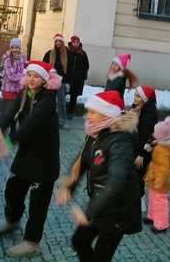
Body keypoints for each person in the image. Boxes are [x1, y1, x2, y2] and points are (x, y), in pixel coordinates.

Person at [56, 90, 142, 261]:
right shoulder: (96, 133)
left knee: (101, 257)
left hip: (119, 209)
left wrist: (88, 214)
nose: (87, 116)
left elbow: (116, 181)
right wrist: (68, 185)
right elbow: (82, 161)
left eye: (93, 112)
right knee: (79, 241)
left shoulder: (120, 141)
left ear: (107, 115)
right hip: (101, 203)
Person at [0, 61, 61, 258]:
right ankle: (12, 220)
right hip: (26, 156)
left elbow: (31, 123)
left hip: (44, 161)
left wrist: (9, 142)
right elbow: (11, 110)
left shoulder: (48, 100)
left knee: (38, 204)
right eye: (29, 74)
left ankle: (32, 242)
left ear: (45, 80)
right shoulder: (27, 93)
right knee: (12, 190)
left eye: (36, 76)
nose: (31, 79)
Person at [143, 116, 170, 233]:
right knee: (153, 197)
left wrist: (159, 181)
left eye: (155, 133)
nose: (153, 134)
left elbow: (163, 168)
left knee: (160, 200)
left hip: (159, 179)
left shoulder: (162, 150)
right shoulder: (160, 145)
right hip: (155, 176)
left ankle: (161, 224)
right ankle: (152, 217)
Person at [131, 86, 159, 203]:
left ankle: (139, 203)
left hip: (143, 152)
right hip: (137, 149)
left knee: (138, 177)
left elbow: (150, 137)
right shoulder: (140, 109)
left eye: (138, 96)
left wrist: (141, 154)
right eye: (135, 95)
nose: (135, 98)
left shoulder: (148, 115)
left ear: (145, 99)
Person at [0, 38, 27, 135]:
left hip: (18, 91)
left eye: (17, 47)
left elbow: (26, 68)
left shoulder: (22, 58)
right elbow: (11, 76)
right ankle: (1, 130)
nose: (15, 49)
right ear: (11, 48)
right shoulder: (7, 60)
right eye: (13, 47)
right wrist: (24, 76)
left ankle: (13, 130)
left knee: (15, 111)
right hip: (8, 90)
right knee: (7, 112)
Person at [43, 33, 69, 129]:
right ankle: (48, 119)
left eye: (60, 41)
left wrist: (67, 81)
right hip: (51, 80)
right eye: (56, 41)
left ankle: (62, 120)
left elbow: (69, 70)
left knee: (61, 101)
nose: (58, 43)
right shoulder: (49, 53)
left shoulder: (66, 54)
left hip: (61, 81)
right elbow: (44, 66)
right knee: (49, 100)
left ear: (62, 42)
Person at [67, 35, 89, 118]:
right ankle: (61, 110)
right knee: (64, 93)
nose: (75, 44)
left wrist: (84, 74)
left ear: (79, 43)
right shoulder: (67, 51)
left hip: (77, 79)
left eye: (77, 42)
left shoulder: (82, 53)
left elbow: (86, 65)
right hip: (68, 77)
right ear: (71, 43)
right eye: (74, 42)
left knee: (74, 95)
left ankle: (70, 112)